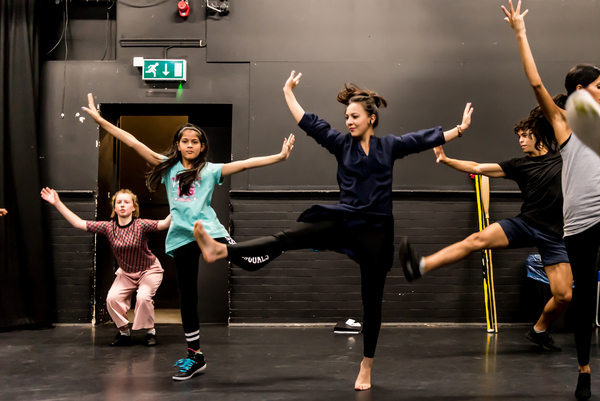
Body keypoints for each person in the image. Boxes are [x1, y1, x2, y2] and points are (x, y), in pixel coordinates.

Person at [192, 70, 473, 390]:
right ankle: (222, 249)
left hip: (377, 230)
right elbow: (310, 123)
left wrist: (458, 131)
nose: (349, 121)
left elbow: (422, 139)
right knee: (290, 237)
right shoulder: (341, 144)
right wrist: (287, 92)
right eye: (346, 116)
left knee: (372, 299)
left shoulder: (390, 146)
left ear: (371, 118)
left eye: (354, 116)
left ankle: (366, 366)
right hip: (345, 220)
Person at [81, 93, 295, 381]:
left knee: (250, 262)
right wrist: (100, 121)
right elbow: (132, 142)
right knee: (188, 297)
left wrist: (279, 158)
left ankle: (282, 244)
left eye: (195, 141)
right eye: (185, 141)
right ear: (178, 145)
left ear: (202, 146)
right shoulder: (169, 167)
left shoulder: (210, 171)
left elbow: (244, 164)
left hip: (210, 232)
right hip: (181, 237)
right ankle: (195, 356)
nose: (190, 145)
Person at [399, 102, 572, 352]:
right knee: (476, 240)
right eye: (519, 137)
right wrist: (446, 160)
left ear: (539, 136)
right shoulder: (518, 166)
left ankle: (539, 330)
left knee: (564, 295)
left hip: (554, 234)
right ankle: (420, 265)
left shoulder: (562, 158)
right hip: (525, 224)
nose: (521, 141)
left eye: (525, 136)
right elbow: (478, 168)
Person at [503, 1, 600, 398]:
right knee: (583, 297)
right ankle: (583, 370)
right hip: (579, 220)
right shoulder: (563, 122)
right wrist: (521, 34)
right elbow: (536, 83)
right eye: (599, 86)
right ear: (581, 90)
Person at [41, 187, 170, 346]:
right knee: (112, 299)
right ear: (114, 207)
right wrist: (57, 203)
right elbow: (78, 223)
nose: (122, 205)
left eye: (126, 202)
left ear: (134, 207)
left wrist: (179, 206)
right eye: (119, 202)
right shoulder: (109, 227)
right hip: (126, 273)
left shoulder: (141, 225)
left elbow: (164, 224)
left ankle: (150, 332)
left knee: (143, 297)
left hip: (149, 270)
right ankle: (124, 332)